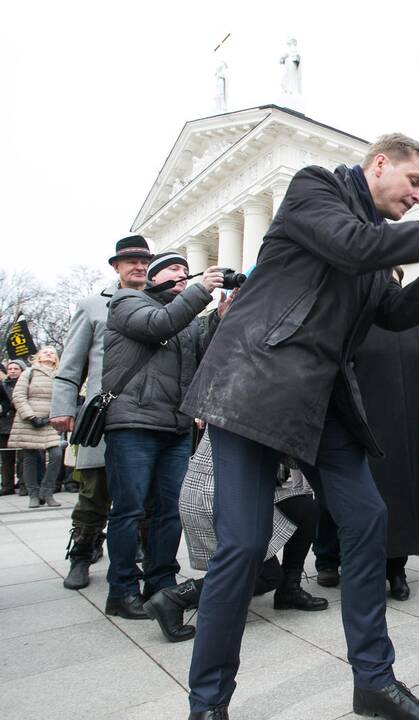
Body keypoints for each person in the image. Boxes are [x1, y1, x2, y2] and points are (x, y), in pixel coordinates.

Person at [181, 133, 419, 720]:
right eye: (415, 183)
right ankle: (208, 703)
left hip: (323, 401)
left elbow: (395, 314)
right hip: (255, 386)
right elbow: (350, 246)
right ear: (378, 164)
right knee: (244, 544)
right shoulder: (315, 188)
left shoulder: (376, 249)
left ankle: (373, 680)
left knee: (368, 518)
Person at [101, 251, 223, 621]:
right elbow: (156, 325)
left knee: (169, 511)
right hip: (133, 424)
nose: (184, 274)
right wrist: (201, 291)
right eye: (175, 269)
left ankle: (161, 584)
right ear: (156, 277)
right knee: (130, 509)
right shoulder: (128, 301)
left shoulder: (185, 316)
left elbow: (208, 357)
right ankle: (121, 590)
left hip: (174, 427)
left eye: (187, 270)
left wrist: (221, 318)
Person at [315, 268, 419, 602]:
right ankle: (349, 564)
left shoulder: (412, 326)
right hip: (363, 429)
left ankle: (396, 569)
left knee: (401, 503)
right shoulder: (352, 319)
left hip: (404, 432)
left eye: (396, 280)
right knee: (362, 503)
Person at [145, 436, 327, 643]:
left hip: (229, 489)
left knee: (305, 508)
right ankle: (176, 598)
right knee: (267, 576)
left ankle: (289, 588)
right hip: (215, 496)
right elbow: (294, 459)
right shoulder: (260, 407)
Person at [50, 234, 153, 590]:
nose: (140, 267)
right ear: (116, 267)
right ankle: (82, 553)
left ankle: (138, 549)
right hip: (104, 415)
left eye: (145, 261)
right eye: (131, 262)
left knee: (146, 493)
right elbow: (72, 363)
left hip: (149, 415)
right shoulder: (94, 306)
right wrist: (63, 408)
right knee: (95, 491)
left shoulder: (161, 304)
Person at [10, 347, 63, 508]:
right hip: (30, 420)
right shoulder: (29, 373)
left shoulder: (61, 375)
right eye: (45, 351)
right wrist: (31, 416)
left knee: (56, 454)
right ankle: (33, 494)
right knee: (30, 457)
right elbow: (18, 396)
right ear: (38, 356)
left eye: (52, 352)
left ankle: (46, 491)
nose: (49, 353)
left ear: (56, 358)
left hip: (50, 422)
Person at [0, 360, 24, 496]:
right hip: (4, 425)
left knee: (23, 457)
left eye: (16, 368)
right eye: (10, 368)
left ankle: (23, 485)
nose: (13, 371)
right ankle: (7, 486)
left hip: (21, 424)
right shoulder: (3, 385)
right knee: (6, 458)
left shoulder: (26, 383)